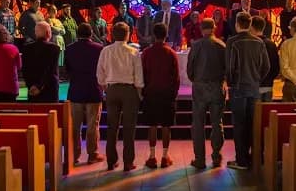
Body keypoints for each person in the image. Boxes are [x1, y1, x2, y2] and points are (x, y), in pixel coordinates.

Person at [225, 12, 270, 170]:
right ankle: (253, 157)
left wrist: (230, 82)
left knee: (239, 124)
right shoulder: (259, 42)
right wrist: (256, 78)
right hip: (254, 88)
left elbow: (229, 66)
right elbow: (266, 66)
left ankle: (241, 160)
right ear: (250, 24)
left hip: (238, 88)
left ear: (237, 24)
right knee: (252, 123)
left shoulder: (232, 41)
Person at [96, 22, 144, 172]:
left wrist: (105, 87)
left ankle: (111, 161)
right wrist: (139, 92)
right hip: (129, 91)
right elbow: (138, 76)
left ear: (111, 34)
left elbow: (100, 73)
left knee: (112, 127)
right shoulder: (133, 51)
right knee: (129, 128)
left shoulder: (105, 51)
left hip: (112, 90)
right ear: (128, 34)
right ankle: (128, 162)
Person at [187, 18, 227, 169]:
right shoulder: (221, 45)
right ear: (214, 28)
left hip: (200, 87)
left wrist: (196, 79)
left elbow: (190, 69)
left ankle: (200, 159)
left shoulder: (196, 45)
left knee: (198, 124)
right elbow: (227, 68)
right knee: (217, 123)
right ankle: (216, 156)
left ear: (201, 29)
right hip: (217, 87)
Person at [140, 23, 181, 168]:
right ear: (166, 35)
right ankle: (164, 157)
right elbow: (176, 77)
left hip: (150, 93)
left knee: (151, 125)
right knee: (166, 126)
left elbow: (142, 74)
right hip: (166, 94)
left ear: (153, 35)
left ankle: (152, 157)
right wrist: (174, 94)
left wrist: (143, 92)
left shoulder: (146, 53)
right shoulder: (171, 53)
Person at [65, 23, 105, 165]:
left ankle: (74, 155)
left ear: (77, 34)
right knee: (93, 125)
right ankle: (92, 154)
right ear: (91, 34)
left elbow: (67, 70)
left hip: (76, 91)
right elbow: (102, 70)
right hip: (93, 90)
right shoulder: (99, 49)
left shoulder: (69, 49)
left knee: (75, 126)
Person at [22, 21, 61, 102]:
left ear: (36, 33)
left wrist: (31, 86)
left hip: (32, 90)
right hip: (49, 90)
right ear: (48, 33)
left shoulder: (26, 49)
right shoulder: (54, 48)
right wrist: (39, 86)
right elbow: (50, 70)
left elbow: (25, 70)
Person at [250, 16, 280, 102]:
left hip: (253, 85)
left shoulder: (250, 44)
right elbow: (276, 67)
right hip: (268, 85)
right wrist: (270, 79)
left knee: (255, 114)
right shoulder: (271, 44)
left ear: (251, 27)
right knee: (267, 112)